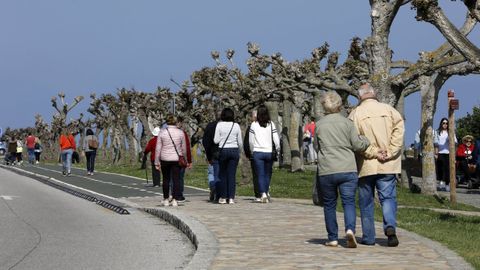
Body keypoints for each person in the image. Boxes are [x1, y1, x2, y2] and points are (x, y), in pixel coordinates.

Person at [349, 82, 404, 247]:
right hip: (388, 163)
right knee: (388, 197)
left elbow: (355, 140)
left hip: (367, 164)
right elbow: (399, 130)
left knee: (366, 201)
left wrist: (372, 151)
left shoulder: (355, 114)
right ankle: (390, 226)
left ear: (360, 96)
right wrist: (390, 151)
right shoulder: (390, 110)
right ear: (374, 93)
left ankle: (369, 236)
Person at [316, 91, 370, 248]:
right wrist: (365, 140)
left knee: (329, 204)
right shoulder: (347, 123)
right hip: (347, 167)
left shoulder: (319, 125)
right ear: (339, 105)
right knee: (348, 202)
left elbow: (316, 146)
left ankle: (332, 237)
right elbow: (357, 145)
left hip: (327, 169)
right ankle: (350, 229)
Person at [155, 115, 188, 207]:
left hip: (164, 158)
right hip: (176, 158)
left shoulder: (162, 132)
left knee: (166, 179)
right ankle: (174, 199)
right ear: (175, 122)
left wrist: (156, 162)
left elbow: (158, 148)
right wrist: (184, 157)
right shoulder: (180, 133)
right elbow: (184, 148)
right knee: (176, 179)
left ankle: (165, 199)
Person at [249, 105, 280, 203]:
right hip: (269, 152)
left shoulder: (254, 124)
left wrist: (252, 150)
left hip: (257, 152)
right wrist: (278, 149)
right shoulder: (271, 124)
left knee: (260, 174)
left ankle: (262, 193)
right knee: (268, 174)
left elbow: (251, 141)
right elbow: (276, 139)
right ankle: (266, 192)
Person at [214, 108, 243, 204]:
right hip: (234, 150)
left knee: (222, 174)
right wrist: (239, 150)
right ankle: (231, 198)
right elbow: (240, 141)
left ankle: (223, 196)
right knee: (232, 175)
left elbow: (216, 140)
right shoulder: (236, 125)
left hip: (223, 150)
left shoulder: (219, 125)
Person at [202, 112, 221, 202]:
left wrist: (208, 155)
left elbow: (206, 142)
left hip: (213, 153)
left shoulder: (210, 126)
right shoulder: (231, 125)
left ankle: (213, 188)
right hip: (226, 152)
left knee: (212, 173)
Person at [434, 117, 457, 190]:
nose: (445, 125)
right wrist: (436, 153)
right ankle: (440, 182)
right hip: (440, 153)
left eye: (446, 123)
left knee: (447, 169)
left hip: (448, 153)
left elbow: (455, 142)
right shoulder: (437, 132)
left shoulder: (450, 132)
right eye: (443, 123)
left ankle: (447, 184)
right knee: (440, 168)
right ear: (441, 124)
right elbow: (435, 144)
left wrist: (451, 140)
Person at [244, 109, 261, 201]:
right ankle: (264, 192)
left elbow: (248, 142)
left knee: (256, 174)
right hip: (266, 152)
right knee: (264, 173)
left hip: (256, 152)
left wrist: (248, 152)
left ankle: (259, 194)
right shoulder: (268, 125)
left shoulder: (252, 127)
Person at [176, 116, 193, 202]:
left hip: (168, 158)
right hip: (180, 158)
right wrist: (189, 161)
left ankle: (173, 194)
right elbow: (187, 148)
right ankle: (179, 195)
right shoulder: (183, 134)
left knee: (172, 177)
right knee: (180, 178)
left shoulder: (165, 132)